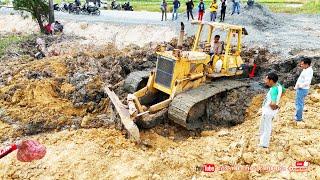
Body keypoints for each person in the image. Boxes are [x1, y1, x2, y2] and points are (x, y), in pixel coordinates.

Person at [259, 72, 285, 148]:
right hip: (272, 112)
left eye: (266, 79)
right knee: (267, 126)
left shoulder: (273, 90)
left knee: (266, 127)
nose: (265, 81)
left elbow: (273, 104)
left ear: (271, 81)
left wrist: (274, 105)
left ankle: (264, 144)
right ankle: (263, 141)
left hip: (268, 111)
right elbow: (284, 91)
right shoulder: (279, 85)